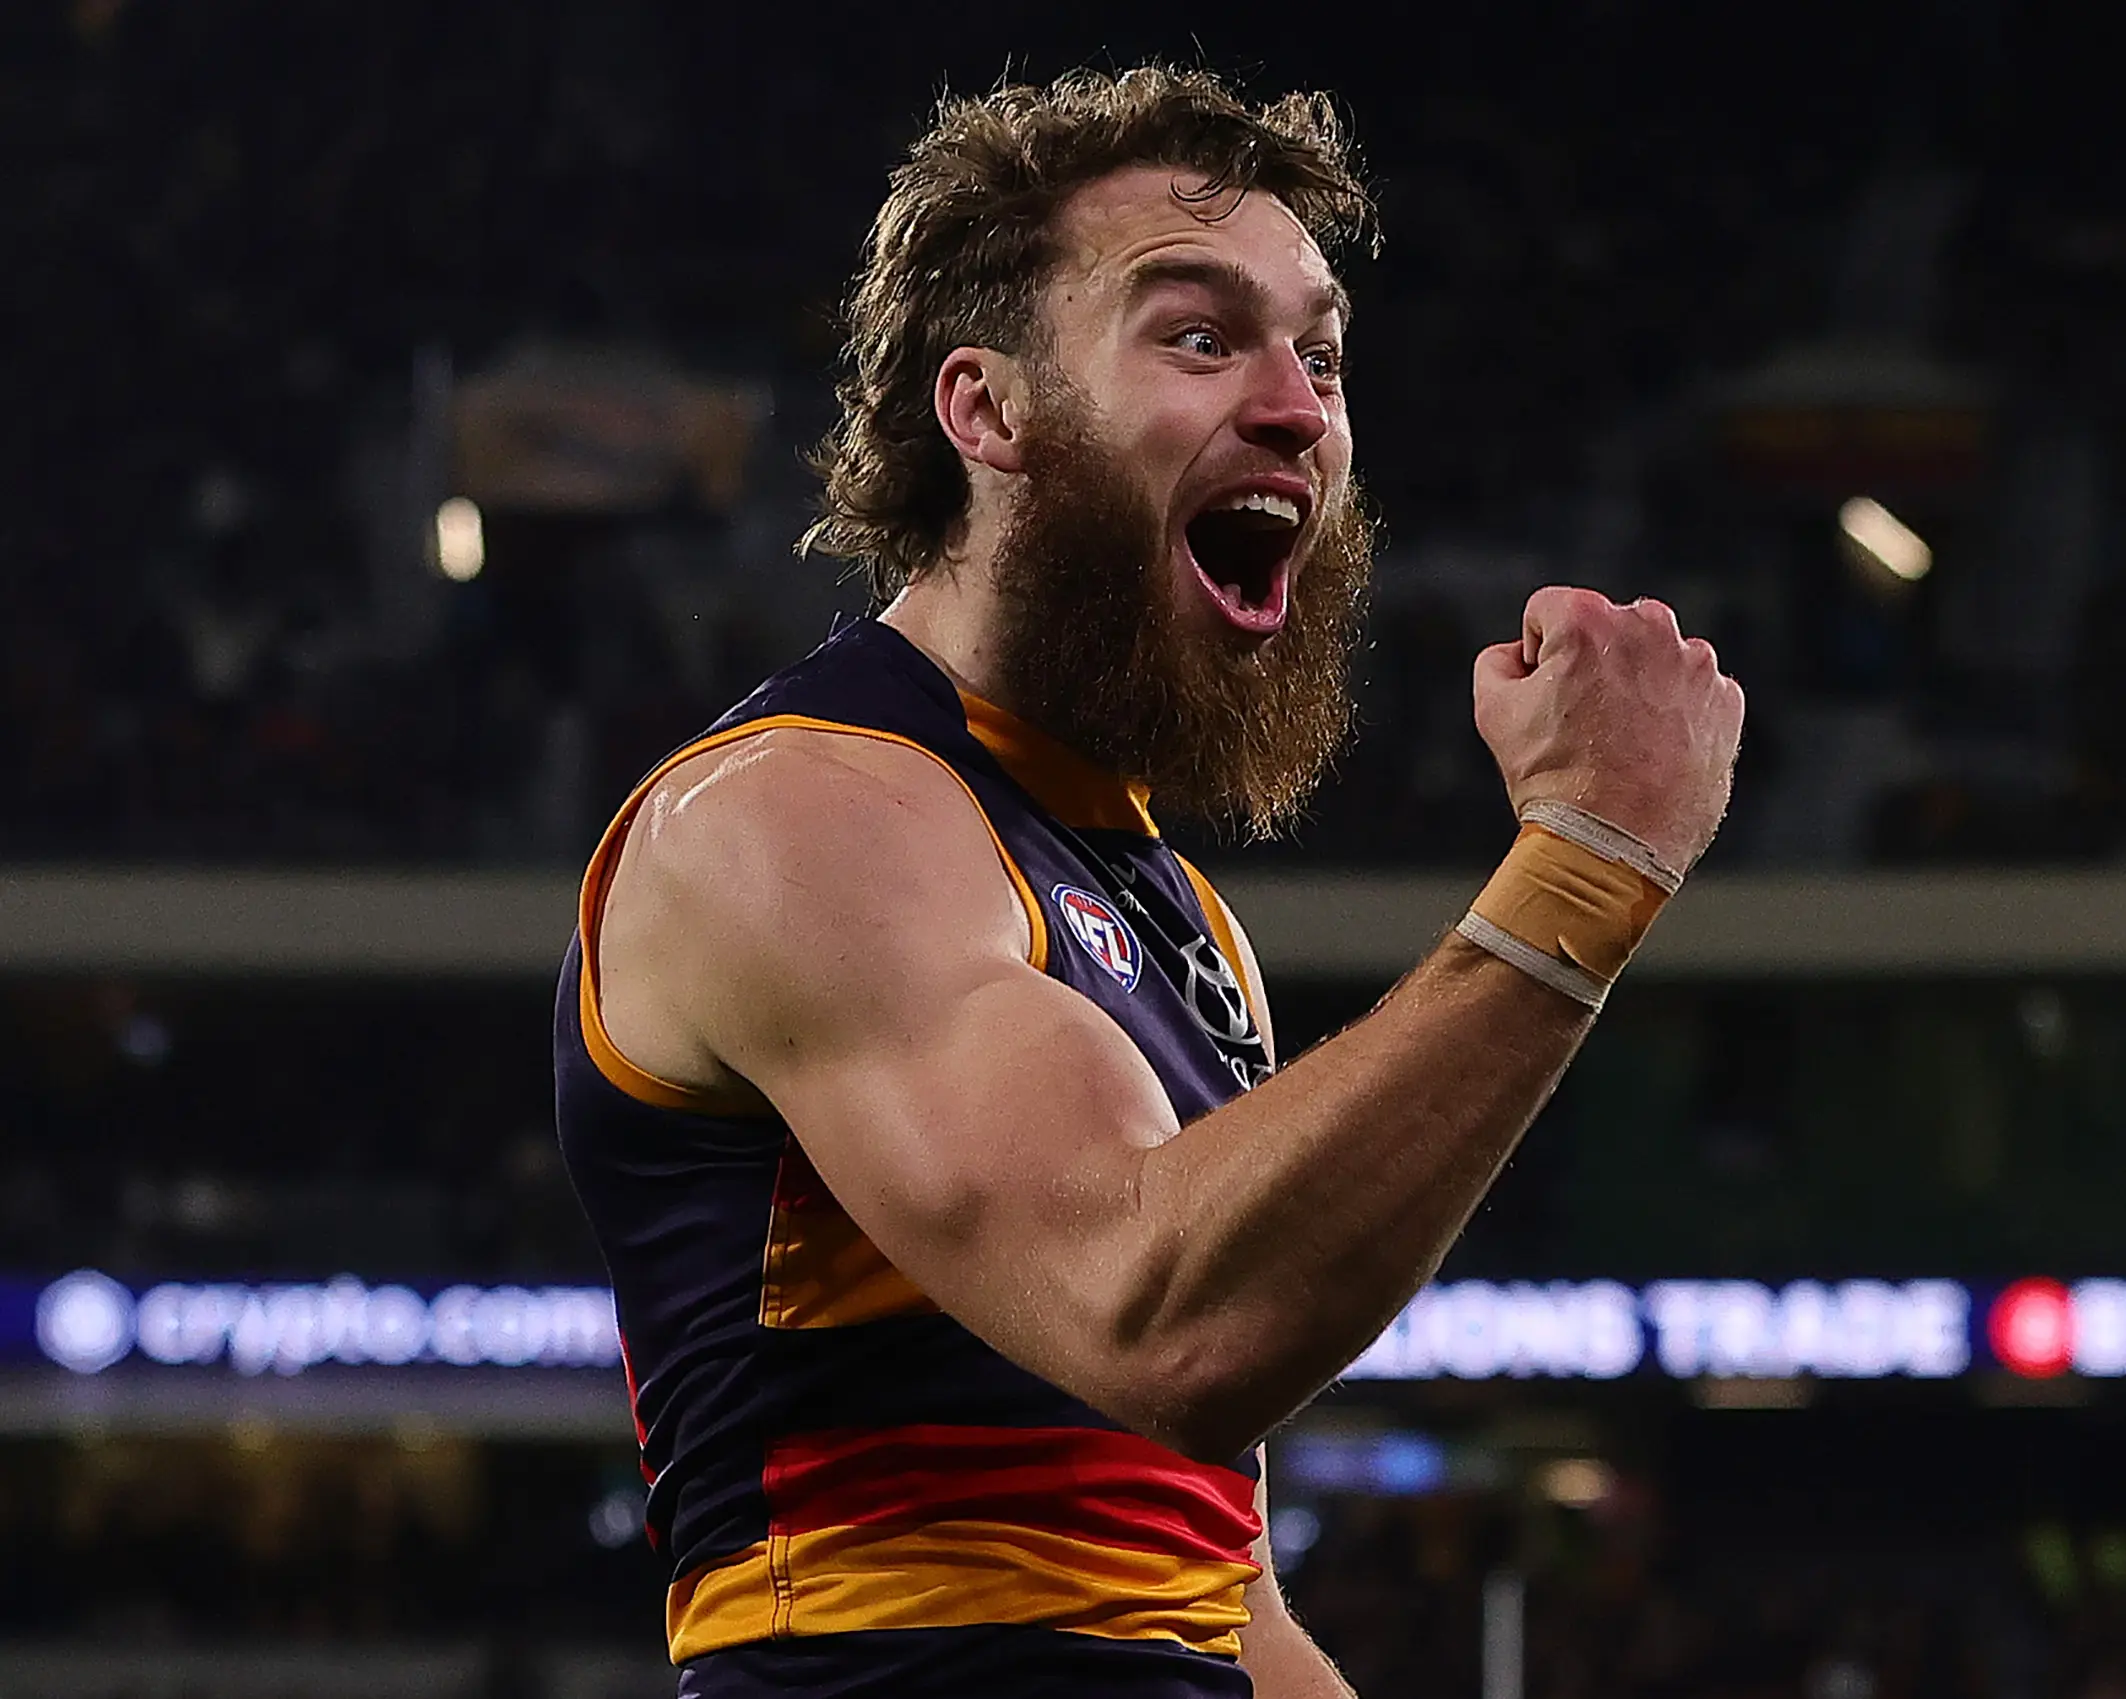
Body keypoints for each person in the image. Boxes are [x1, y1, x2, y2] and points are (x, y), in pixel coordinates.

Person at [555, 64, 1743, 1699]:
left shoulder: (1177, 922)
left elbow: (1196, 1583)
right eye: (1200, 335)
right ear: (987, 412)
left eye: (1319, 354)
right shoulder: (792, 817)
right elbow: (1155, 1321)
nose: (1297, 406)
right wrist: (1588, 860)